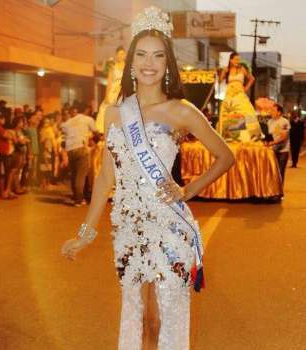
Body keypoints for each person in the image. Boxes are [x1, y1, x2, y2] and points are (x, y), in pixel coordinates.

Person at [61, 7, 235, 350]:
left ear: (168, 63)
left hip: (167, 227)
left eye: (158, 55)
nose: (149, 63)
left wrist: (188, 190)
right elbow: (105, 176)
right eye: (141, 54)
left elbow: (225, 155)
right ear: (131, 62)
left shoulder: (181, 111)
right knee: (137, 316)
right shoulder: (114, 113)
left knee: (160, 318)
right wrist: (85, 233)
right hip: (127, 228)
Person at [217, 52, 261, 140]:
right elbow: (219, 81)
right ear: (231, 60)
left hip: (240, 93)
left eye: (238, 59)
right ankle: (230, 135)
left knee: (246, 112)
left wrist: (245, 88)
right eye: (236, 59)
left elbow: (252, 79)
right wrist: (223, 72)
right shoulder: (227, 70)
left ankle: (249, 135)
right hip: (229, 94)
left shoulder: (242, 69)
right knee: (229, 113)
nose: (238, 61)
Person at [61, 104, 97, 206]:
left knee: (74, 174)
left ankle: (75, 197)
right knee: (81, 176)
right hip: (81, 148)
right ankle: (79, 200)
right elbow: (96, 133)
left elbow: (63, 139)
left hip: (70, 150)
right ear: (86, 110)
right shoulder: (88, 119)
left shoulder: (66, 123)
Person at [96, 46, 126, 133]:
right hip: (114, 90)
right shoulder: (113, 67)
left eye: (123, 54)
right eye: (119, 54)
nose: (121, 56)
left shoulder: (128, 67)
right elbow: (109, 81)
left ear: (125, 55)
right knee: (108, 108)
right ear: (116, 55)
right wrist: (106, 95)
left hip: (124, 89)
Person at [267, 103, 290, 186]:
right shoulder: (269, 121)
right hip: (272, 150)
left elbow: (284, 137)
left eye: (273, 110)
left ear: (279, 112)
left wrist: (271, 143)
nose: (271, 112)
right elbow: (268, 135)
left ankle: (279, 191)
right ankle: (272, 191)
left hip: (282, 151)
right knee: (272, 172)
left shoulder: (285, 122)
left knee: (280, 171)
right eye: (271, 110)